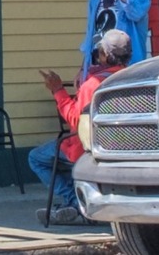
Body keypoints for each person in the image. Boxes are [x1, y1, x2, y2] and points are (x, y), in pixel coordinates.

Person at [32, 28, 132, 224]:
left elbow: (76, 121)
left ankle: (77, 205)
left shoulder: (93, 84)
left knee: (36, 158)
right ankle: (80, 201)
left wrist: (58, 90)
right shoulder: (132, 79)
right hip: (122, 147)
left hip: (87, 149)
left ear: (103, 55)